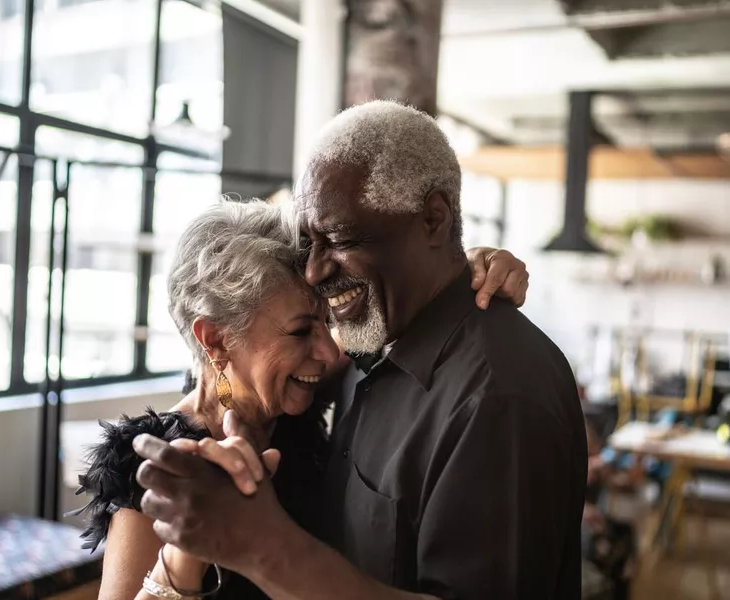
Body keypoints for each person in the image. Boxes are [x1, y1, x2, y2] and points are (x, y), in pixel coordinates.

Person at [133, 101, 587, 599]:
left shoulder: (499, 395)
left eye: (341, 238)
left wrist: (265, 546)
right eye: (311, 243)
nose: (315, 270)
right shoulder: (371, 350)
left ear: (434, 219)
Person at [75, 198, 530, 600]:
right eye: (299, 332)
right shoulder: (156, 468)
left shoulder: (300, 398)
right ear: (214, 340)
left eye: (325, 323)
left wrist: (470, 266)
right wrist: (186, 551)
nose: (330, 352)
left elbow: (408, 313)